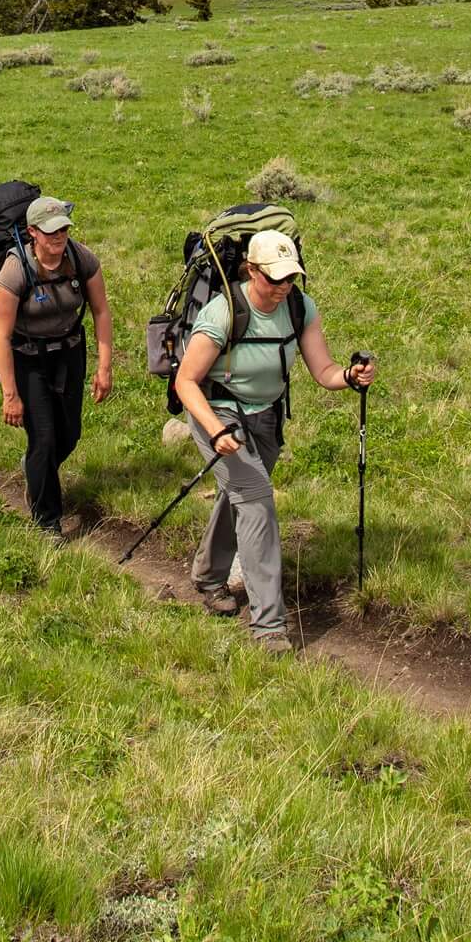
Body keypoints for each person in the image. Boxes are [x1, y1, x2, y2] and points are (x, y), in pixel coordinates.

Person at [172, 228, 375, 650]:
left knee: (240, 496)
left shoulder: (300, 307)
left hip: (265, 417)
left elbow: (323, 371)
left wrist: (350, 378)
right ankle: (269, 628)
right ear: (252, 270)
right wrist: (216, 430)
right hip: (218, 413)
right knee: (259, 506)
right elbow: (186, 383)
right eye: (275, 278)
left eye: (290, 278)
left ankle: (208, 577)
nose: (283, 287)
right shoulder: (222, 313)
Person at [0, 194, 112, 539]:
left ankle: (37, 472)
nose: (59, 237)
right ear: (32, 232)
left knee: (69, 434)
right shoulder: (15, 270)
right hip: (28, 358)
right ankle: (47, 522)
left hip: (70, 352)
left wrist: (104, 368)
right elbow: (1, 336)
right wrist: (10, 395)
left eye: (63, 229)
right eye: (50, 231)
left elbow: (101, 311)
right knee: (43, 439)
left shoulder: (81, 257)